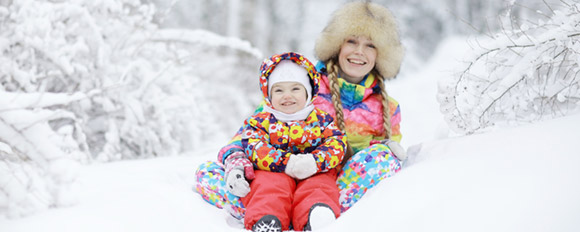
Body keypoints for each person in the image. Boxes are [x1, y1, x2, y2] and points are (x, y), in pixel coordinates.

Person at [194, 0, 407, 225]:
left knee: (386, 159)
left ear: (381, 53)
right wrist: (236, 164)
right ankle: (274, 213)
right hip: (273, 175)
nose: (358, 52)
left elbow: (371, 164)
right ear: (336, 45)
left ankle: (316, 213)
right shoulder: (299, 86)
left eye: (370, 45)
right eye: (351, 41)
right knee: (208, 174)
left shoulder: (387, 107)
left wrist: (322, 163)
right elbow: (247, 136)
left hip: (328, 182)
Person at [225, 52, 346, 231]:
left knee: (319, 187)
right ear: (268, 95)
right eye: (279, 90)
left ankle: (315, 217)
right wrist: (285, 163)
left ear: (308, 92)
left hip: (313, 169)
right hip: (273, 171)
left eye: (295, 89)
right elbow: (254, 145)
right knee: (267, 188)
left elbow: (337, 143)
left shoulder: (321, 120)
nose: (287, 96)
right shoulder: (260, 121)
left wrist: (315, 161)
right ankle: (267, 220)